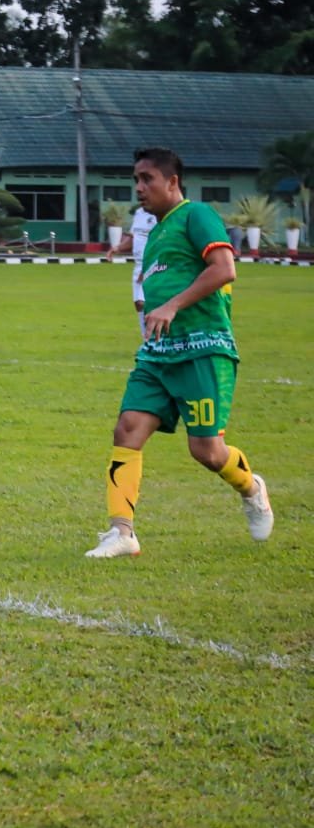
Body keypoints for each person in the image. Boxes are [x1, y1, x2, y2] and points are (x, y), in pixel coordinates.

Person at [87, 148, 273, 558]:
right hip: (158, 354)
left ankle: (252, 488)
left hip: (203, 349)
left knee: (206, 451)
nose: (139, 187)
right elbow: (166, 281)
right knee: (128, 429)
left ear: (172, 182)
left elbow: (224, 268)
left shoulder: (197, 215)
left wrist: (172, 305)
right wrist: (152, 306)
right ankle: (122, 532)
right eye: (136, 179)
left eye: (147, 178)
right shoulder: (155, 233)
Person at [109, 204, 159, 334]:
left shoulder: (158, 214)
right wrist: (117, 248)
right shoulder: (139, 213)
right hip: (138, 265)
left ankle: (155, 340)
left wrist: (148, 267)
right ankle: (147, 340)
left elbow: (160, 241)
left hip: (153, 264)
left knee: (145, 303)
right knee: (138, 304)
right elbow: (133, 237)